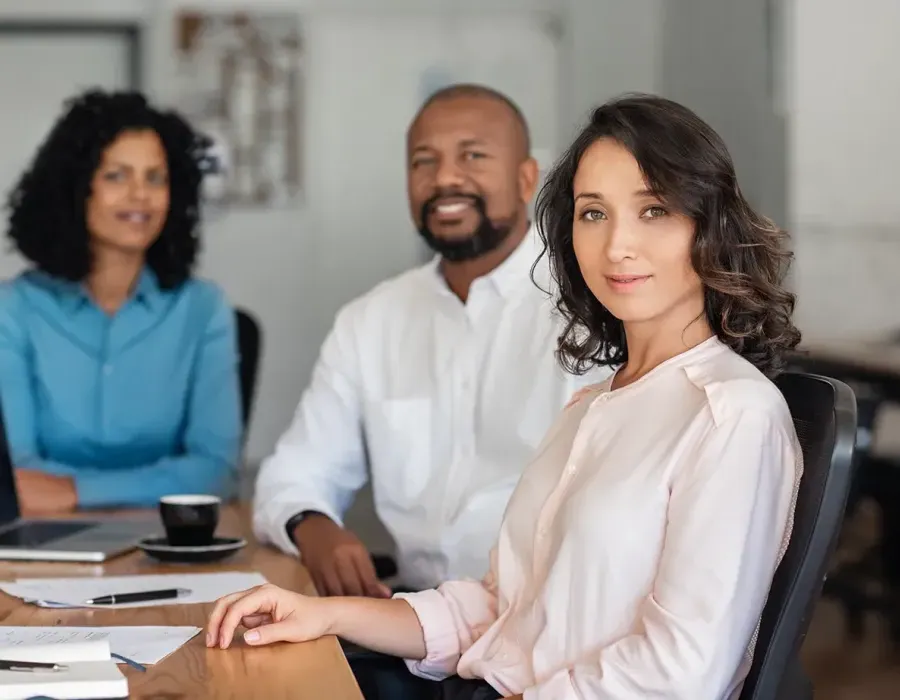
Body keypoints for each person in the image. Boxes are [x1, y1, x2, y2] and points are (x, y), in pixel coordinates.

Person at [207, 94, 804, 700]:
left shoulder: (731, 415)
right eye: (593, 213)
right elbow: (500, 609)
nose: (617, 244)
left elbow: (680, 676)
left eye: (653, 211)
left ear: (709, 224)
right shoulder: (592, 406)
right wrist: (326, 616)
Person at [252, 83, 608, 597]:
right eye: (423, 162)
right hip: (409, 624)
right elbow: (291, 474)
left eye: (473, 156)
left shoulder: (588, 310)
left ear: (526, 178)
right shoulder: (370, 321)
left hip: (538, 632)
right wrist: (314, 528)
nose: (444, 178)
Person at [0, 89, 242, 514]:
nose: (140, 195)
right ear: (76, 189)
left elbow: (215, 471)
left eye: (155, 177)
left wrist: (75, 491)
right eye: (116, 175)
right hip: (41, 542)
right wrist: (159, 481)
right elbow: (16, 473)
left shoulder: (203, 309)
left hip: (168, 540)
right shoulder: (15, 310)